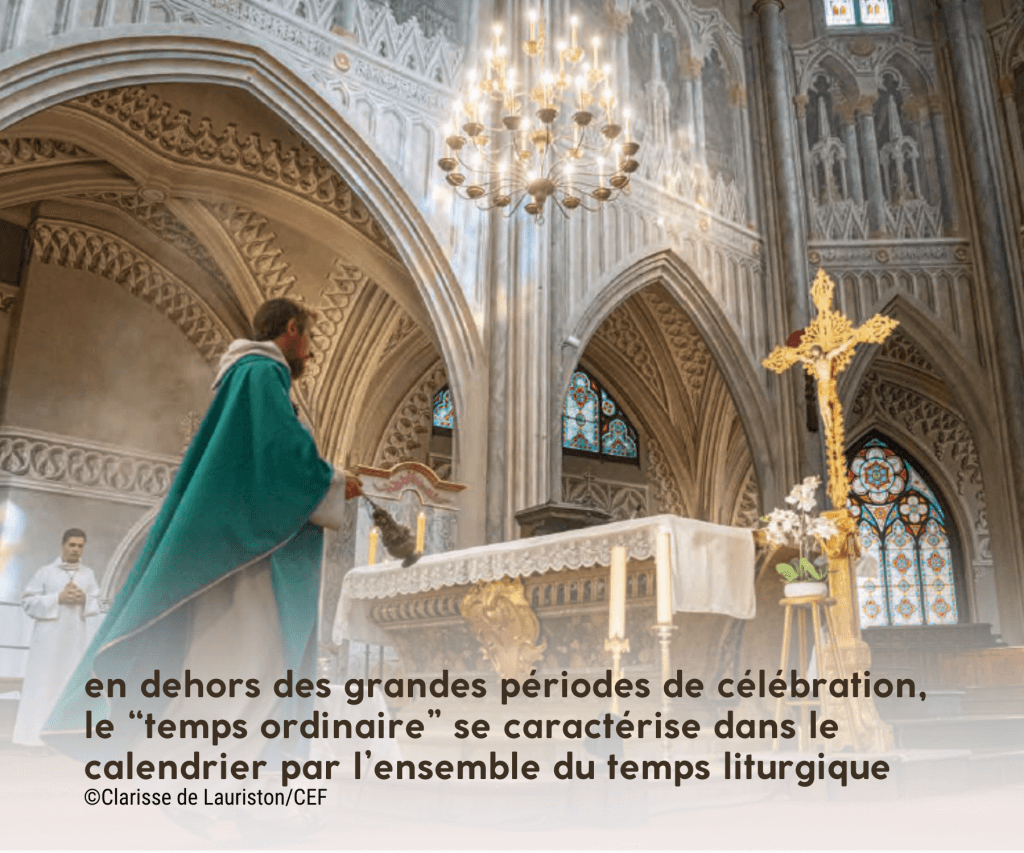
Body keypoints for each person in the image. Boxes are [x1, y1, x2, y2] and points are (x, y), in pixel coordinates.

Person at [43, 298, 362, 757]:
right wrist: (333, 480)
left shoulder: (244, 376)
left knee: (238, 668)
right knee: (255, 667)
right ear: (291, 329)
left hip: (235, 545)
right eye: (309, 339)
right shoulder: (262, 373)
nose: (310, 354)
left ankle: (211, 780)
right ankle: (207, 780)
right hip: (248, 554)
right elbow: (281, 456)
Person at [12, 528, 100, 747]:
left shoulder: (88, 575)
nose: (76, 550)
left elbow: (99, 604)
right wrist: (57, 598)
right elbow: (27, 602)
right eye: (72, 545)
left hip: (74, 643)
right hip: (47, 643)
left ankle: (60, 741)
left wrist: (84, 599)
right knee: (42, 688)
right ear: (63, 545)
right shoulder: (45, 573)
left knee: (65, 688)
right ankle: (32, 741)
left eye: (80, 546)